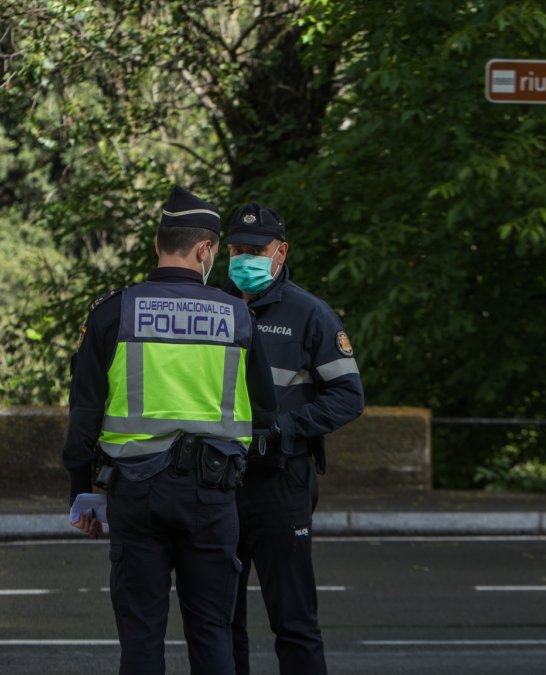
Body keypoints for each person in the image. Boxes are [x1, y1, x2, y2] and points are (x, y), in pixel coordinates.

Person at [62, 185, 277, 675]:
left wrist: (81, 491)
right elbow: (264, 413)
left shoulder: (114, 312)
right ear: (205, 250)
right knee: (211, 634)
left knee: (141, 636)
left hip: (134, 496)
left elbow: (84, 415)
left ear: (159, 243)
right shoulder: (238, 316)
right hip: (212, 495)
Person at [224, 203, 365, 675]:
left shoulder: (310, 314)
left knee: (294, 622)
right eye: (236, 250)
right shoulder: (216, 311)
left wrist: (284, 428)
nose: (244, 259)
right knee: (221, 625)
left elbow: (348, 396)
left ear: (280, 252)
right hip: (219, 483)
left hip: (281, 484)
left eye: (255, 250)